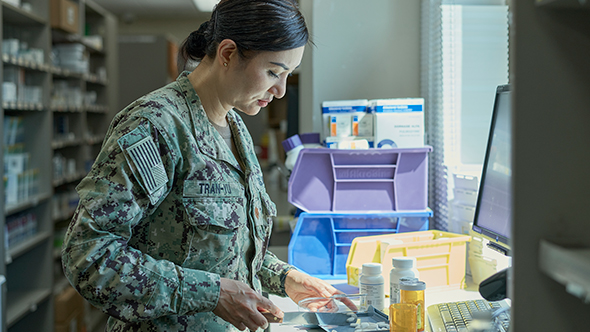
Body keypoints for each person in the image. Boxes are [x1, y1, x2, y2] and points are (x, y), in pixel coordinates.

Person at [61, 0, 350, 331]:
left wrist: (284, 278)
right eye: (273, 72)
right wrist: (210, 294)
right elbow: (88, 254)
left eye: (287, 75)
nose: (281, 91)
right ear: (227, 54)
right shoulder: (155, 125)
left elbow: (225, 252)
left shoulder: (234, 128)